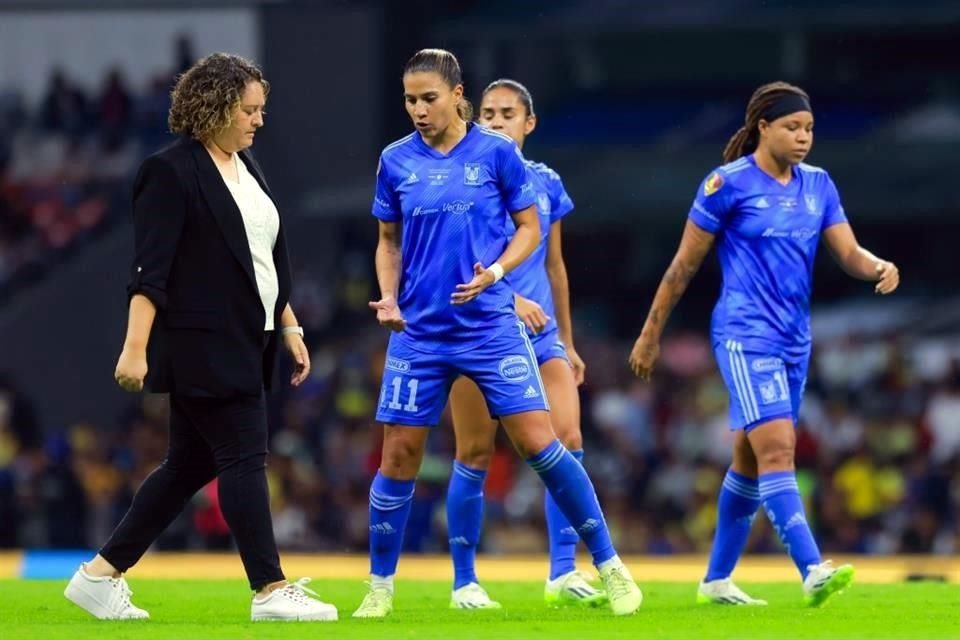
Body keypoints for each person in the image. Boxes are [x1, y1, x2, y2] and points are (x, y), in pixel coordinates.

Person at [353, 49, 642, 619]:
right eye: (410, 99)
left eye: (428, 98)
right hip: (420, 333)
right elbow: (388, 239)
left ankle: (608, 566)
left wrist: (496, 274)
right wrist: (387, 295)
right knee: (401, 455)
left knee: (544, 443)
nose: (418, 109)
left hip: (489, 327)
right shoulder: (395, 161)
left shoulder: (498, 156)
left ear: (456, 95)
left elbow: (531, 229)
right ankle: (380, 588)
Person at [63, 53, 336, 622]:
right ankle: (269, 589)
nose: (259, 121)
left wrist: (289, 325)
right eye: (249, 109)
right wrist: (134, 347)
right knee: (243, 455)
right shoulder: (170, 171)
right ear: (214, 105)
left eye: (261, 110)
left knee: (187, 466)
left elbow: (260, 260)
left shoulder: (244, 165)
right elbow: (149, 271)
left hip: (249, 338)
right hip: (202, 344)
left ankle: (99, 575)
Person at [629, 81, 900, 607]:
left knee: (750, 460)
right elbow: (684, 265)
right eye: (793, 128)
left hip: (795, 340)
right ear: (764, 128)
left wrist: (877, 267)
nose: (804, 138)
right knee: (777, 448)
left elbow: (847, 251)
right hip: (743, 334)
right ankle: (811, 568)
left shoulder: (818, 185)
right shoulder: (724, 185)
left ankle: (716, 581)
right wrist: (649, 334)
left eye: (810, 129)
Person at [444, 79, 604, 610]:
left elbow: (554, 267)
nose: (495, 122)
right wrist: (509, 300)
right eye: (486, 113)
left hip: (542, 337)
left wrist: (570, 340)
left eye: (508, 113)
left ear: (529, 123)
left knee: (568, 438)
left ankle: (562, 573)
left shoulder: (545, 182)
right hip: (478, 331)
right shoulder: (461, 183)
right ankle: (465, 581)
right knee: (473, 452)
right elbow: (453, 262)